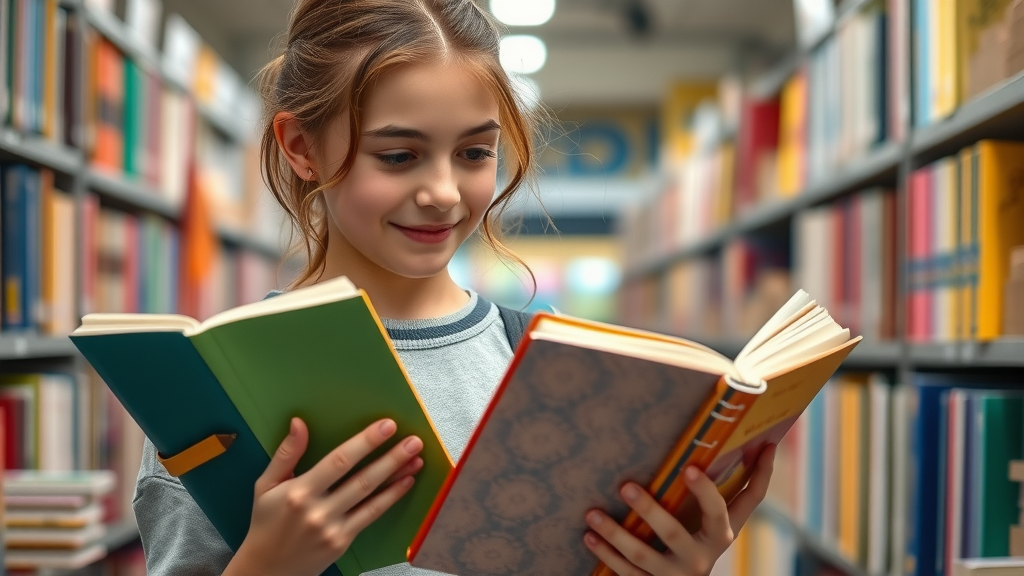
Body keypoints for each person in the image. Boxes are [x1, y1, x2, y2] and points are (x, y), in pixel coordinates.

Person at [131, 1, 777, 575]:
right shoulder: (216, 382)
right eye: (398, 155)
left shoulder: (555, 372)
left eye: (474, 153)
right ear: (301, 147)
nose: (443, 193)